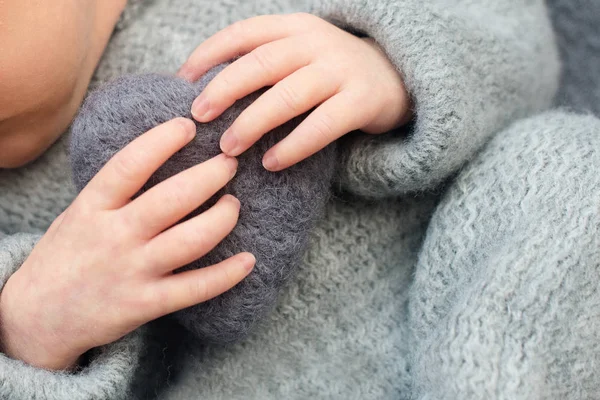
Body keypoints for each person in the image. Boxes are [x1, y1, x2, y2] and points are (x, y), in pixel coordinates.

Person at [0, 0, 598, 399]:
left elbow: (513, 36)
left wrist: (386, 63)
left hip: (464, 286)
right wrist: (30, 336)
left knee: (568, 165)